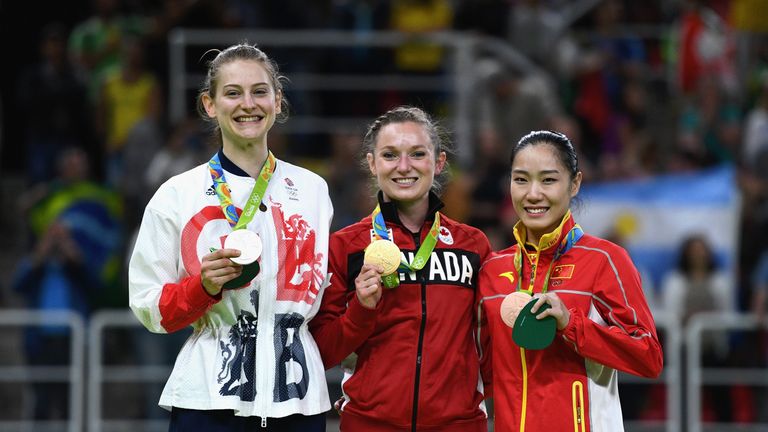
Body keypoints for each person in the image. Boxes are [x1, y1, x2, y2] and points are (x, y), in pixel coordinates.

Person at [128, 42, 333, 432]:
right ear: (210, 104)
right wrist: (201, 288)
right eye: (233, 93)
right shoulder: (177, 195)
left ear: (278, 100)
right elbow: (148, 306)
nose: (248, 104)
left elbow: (319, 295)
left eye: (259, 91)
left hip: (298, 400)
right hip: (208, 399)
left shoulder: (312, 190)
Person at [310, 106, 492, 431]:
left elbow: (491, 347)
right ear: (372, 163)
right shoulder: (346, 247)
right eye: (390, 155)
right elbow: (320, 352)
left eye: (417, 154)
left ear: (439, 163)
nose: (404, 167)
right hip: (369, 425)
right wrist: (360, 312)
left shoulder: (473, 246)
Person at [477, 130, 663, 431]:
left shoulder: (604, 260)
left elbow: (649, 357)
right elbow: (485, 375)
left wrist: (571, 324)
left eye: (548, 180)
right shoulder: (492, 271)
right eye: (521, 179)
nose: (533, 194)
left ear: (574, 183)